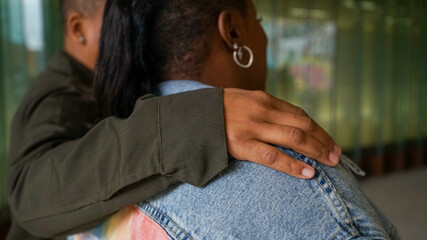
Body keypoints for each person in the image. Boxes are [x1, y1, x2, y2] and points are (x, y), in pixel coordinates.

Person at [5, 0, 342, 239]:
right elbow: (31, 192)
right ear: (78, 29)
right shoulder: (62, 96)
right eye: (120, 15)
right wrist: (203, 120)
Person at [72, 0, 401, 239]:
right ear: (232, 32)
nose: (263, 32)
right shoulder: (303, 182)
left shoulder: (90, 164)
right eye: (256, 18)